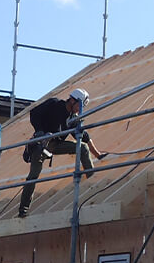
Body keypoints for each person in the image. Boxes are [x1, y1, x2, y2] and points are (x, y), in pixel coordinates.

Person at [17, 87, 106, 218]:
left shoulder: (72, 119)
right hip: (40, 144)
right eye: (79, 105)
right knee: (33, 176)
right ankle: (23, 210)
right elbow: (35, 113)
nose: (79, 109)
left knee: (83, 148)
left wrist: (98, 154)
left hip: (55, 145)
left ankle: (93, 188)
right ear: (72, 100)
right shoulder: (54, 104)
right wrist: (40, 131)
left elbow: (83, 136)